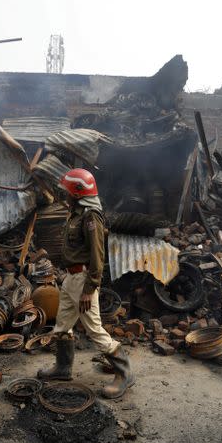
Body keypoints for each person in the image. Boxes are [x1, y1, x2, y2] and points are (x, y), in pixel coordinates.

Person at [37, 168, 135, 399]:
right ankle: (63, 368)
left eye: (68, 191)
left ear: (78, 193)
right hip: (71, 279)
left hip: (83, 281)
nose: (64, 195)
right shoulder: (76, 213)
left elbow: (97, 257)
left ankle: (125, 373)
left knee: (95, 330)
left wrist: (89, 289)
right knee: (62, 326)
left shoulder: (91, 216)